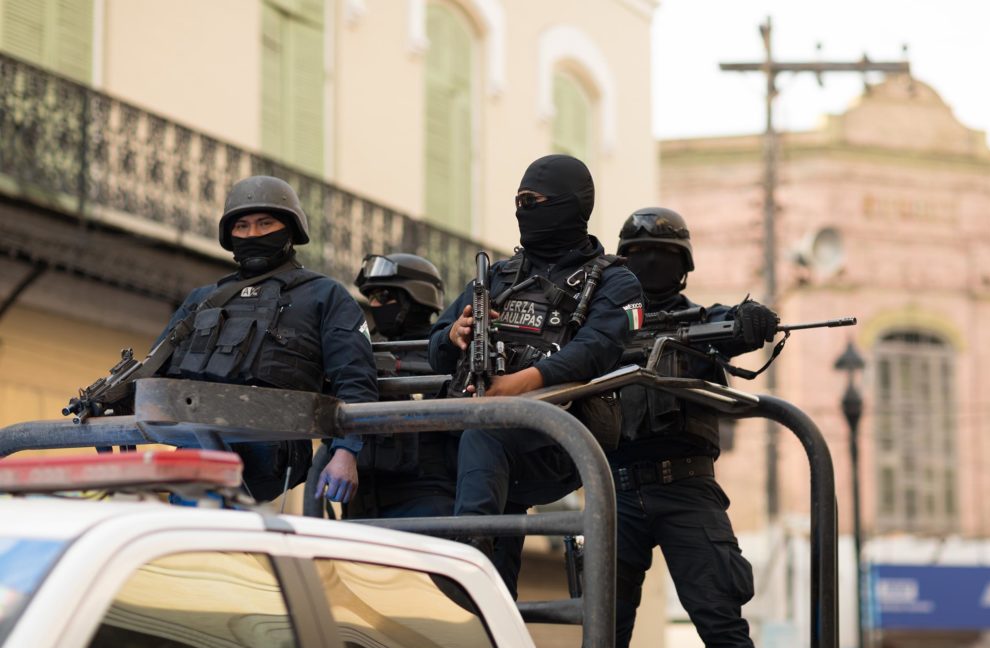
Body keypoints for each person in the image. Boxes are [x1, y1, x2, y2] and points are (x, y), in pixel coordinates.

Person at [428, 154, 644, 593]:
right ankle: (482, 607)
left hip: (562, 437)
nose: (524, 209)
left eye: (535, 200)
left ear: (570, 204)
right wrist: (455, 334)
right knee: (412, 444)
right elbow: (433, 352)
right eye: (519, 200)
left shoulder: (618, 284)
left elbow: (597, 349)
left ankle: (465, 566)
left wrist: (519, 387)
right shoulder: (499, 277)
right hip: (482, 440)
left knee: (486, 435)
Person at [610, 206, 773, 648]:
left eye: (661, 255)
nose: (651, 264)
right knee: (602, 630)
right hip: (614, 489)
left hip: (686, 488)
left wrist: (750, 320)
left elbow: (732, 323)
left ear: (682, 265)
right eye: (639, 255)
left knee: (722, 624)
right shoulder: (605, 328)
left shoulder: (703, 324)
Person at [154, 175, 378, 503]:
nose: (253, 234)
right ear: (229, 235)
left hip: (272, 451)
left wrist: (347, 453)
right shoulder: (203, 299)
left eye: (265, 223)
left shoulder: (324, 294)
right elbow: (156, 370)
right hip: (196, 444)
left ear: (290, 229)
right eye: (242, 226)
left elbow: (356, 380)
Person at [346, 253, 457, 518]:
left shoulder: (448, 352)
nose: (374, 304)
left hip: (427, 499)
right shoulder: (365, 351)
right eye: (371, 297)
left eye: (384, 296)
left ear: (416, 296)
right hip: (363, 500)